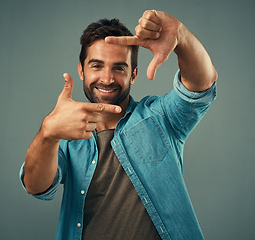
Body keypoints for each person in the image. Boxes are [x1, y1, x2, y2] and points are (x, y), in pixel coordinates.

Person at [20, 10, 217, 240]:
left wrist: (181, 37)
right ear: (81, 71)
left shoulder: (160, 117)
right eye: (96, 66)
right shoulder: (64, 138)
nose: (107, 78)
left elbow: (201, 85)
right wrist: (48, 133)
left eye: (119, 68)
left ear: (133, 75)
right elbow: (36, 186)